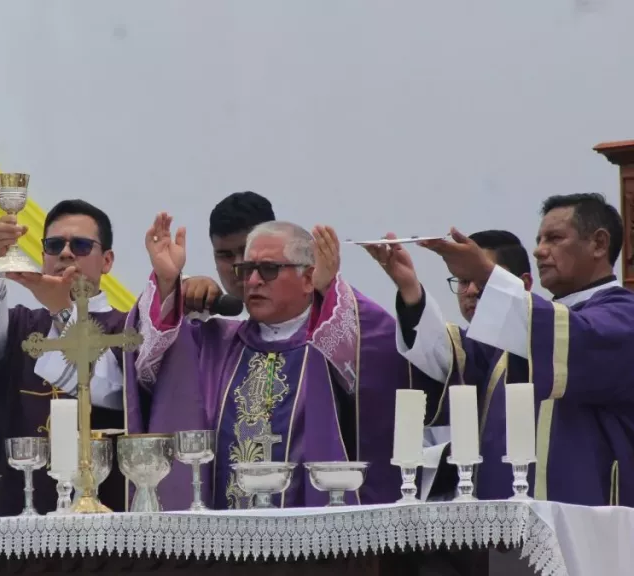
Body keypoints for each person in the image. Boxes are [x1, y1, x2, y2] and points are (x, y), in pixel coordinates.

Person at [123, 213, 437, 509]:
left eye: (269, 269)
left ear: (308, 277)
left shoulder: (330, 344)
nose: (253, 281)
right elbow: (154, 365)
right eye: (246, 270)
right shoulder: (216, 346)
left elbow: (374, 357)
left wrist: (330, 290)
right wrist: (167, 285)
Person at [418, 193, 633, 506]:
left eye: (554, 238)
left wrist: (486, 273)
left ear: (599, 244)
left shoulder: (621, 316)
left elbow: (577, 341)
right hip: (502, 522)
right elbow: (457, 361)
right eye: (539, 239)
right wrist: (410, 291)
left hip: (587, 517)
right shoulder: (526, 327)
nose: (539, 250)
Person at [0, 200, 128, 516]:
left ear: (107, 260)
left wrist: (61, 311)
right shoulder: (20, 326)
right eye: (55, 244)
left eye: (82, 245)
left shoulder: (127, 325)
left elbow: (107, 391)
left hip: (104, 510)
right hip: (19, 508)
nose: (66, 253)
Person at [365, 230, 534, 500]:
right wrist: (409, 287)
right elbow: (439, 352)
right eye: (464, 280)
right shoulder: (473, 348)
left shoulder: (549, 343)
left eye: (484, 280)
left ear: (524, 285)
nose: (471, 291)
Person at [181, 192, 276, 315]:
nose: (239, 264)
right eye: (226, 255)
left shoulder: (306, 315)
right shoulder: (202, 322)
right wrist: (178, 294)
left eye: (247, 250)